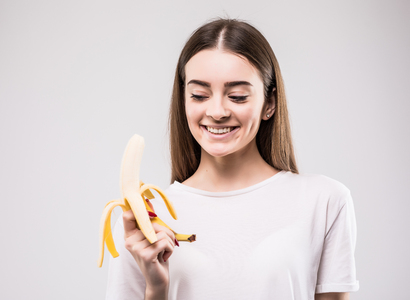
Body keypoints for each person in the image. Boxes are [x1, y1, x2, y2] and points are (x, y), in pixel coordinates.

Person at [106, 18, 359, 300]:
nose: (217, 111)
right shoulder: (143, 219)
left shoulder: (324, 200)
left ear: (270, 103)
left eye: (237, 96)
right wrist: (156, 288)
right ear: (183, 101)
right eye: (199, 95)